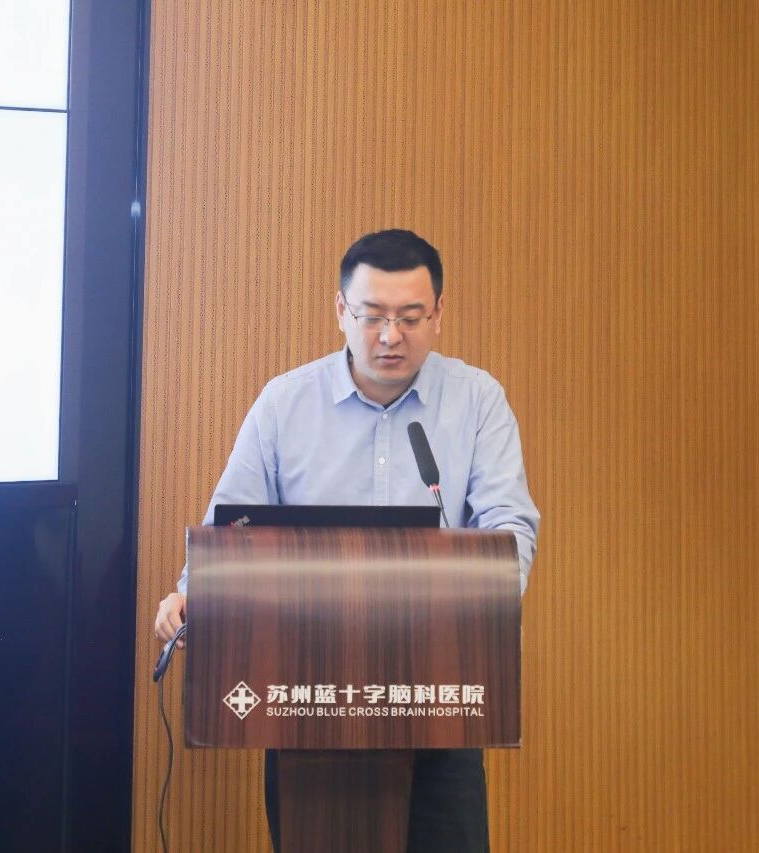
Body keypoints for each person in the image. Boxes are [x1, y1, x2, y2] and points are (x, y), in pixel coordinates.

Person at [153, 228, 539, 852]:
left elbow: (509, 527)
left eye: (410, 317)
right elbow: (233, 529)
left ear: (439, 314)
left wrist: (474, 607)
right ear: (340, 310)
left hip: (437, 691)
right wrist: (195, 595)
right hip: (309, 695)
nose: (390, 336)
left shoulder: (476, 401)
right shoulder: (286, 404)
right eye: (373, 316)